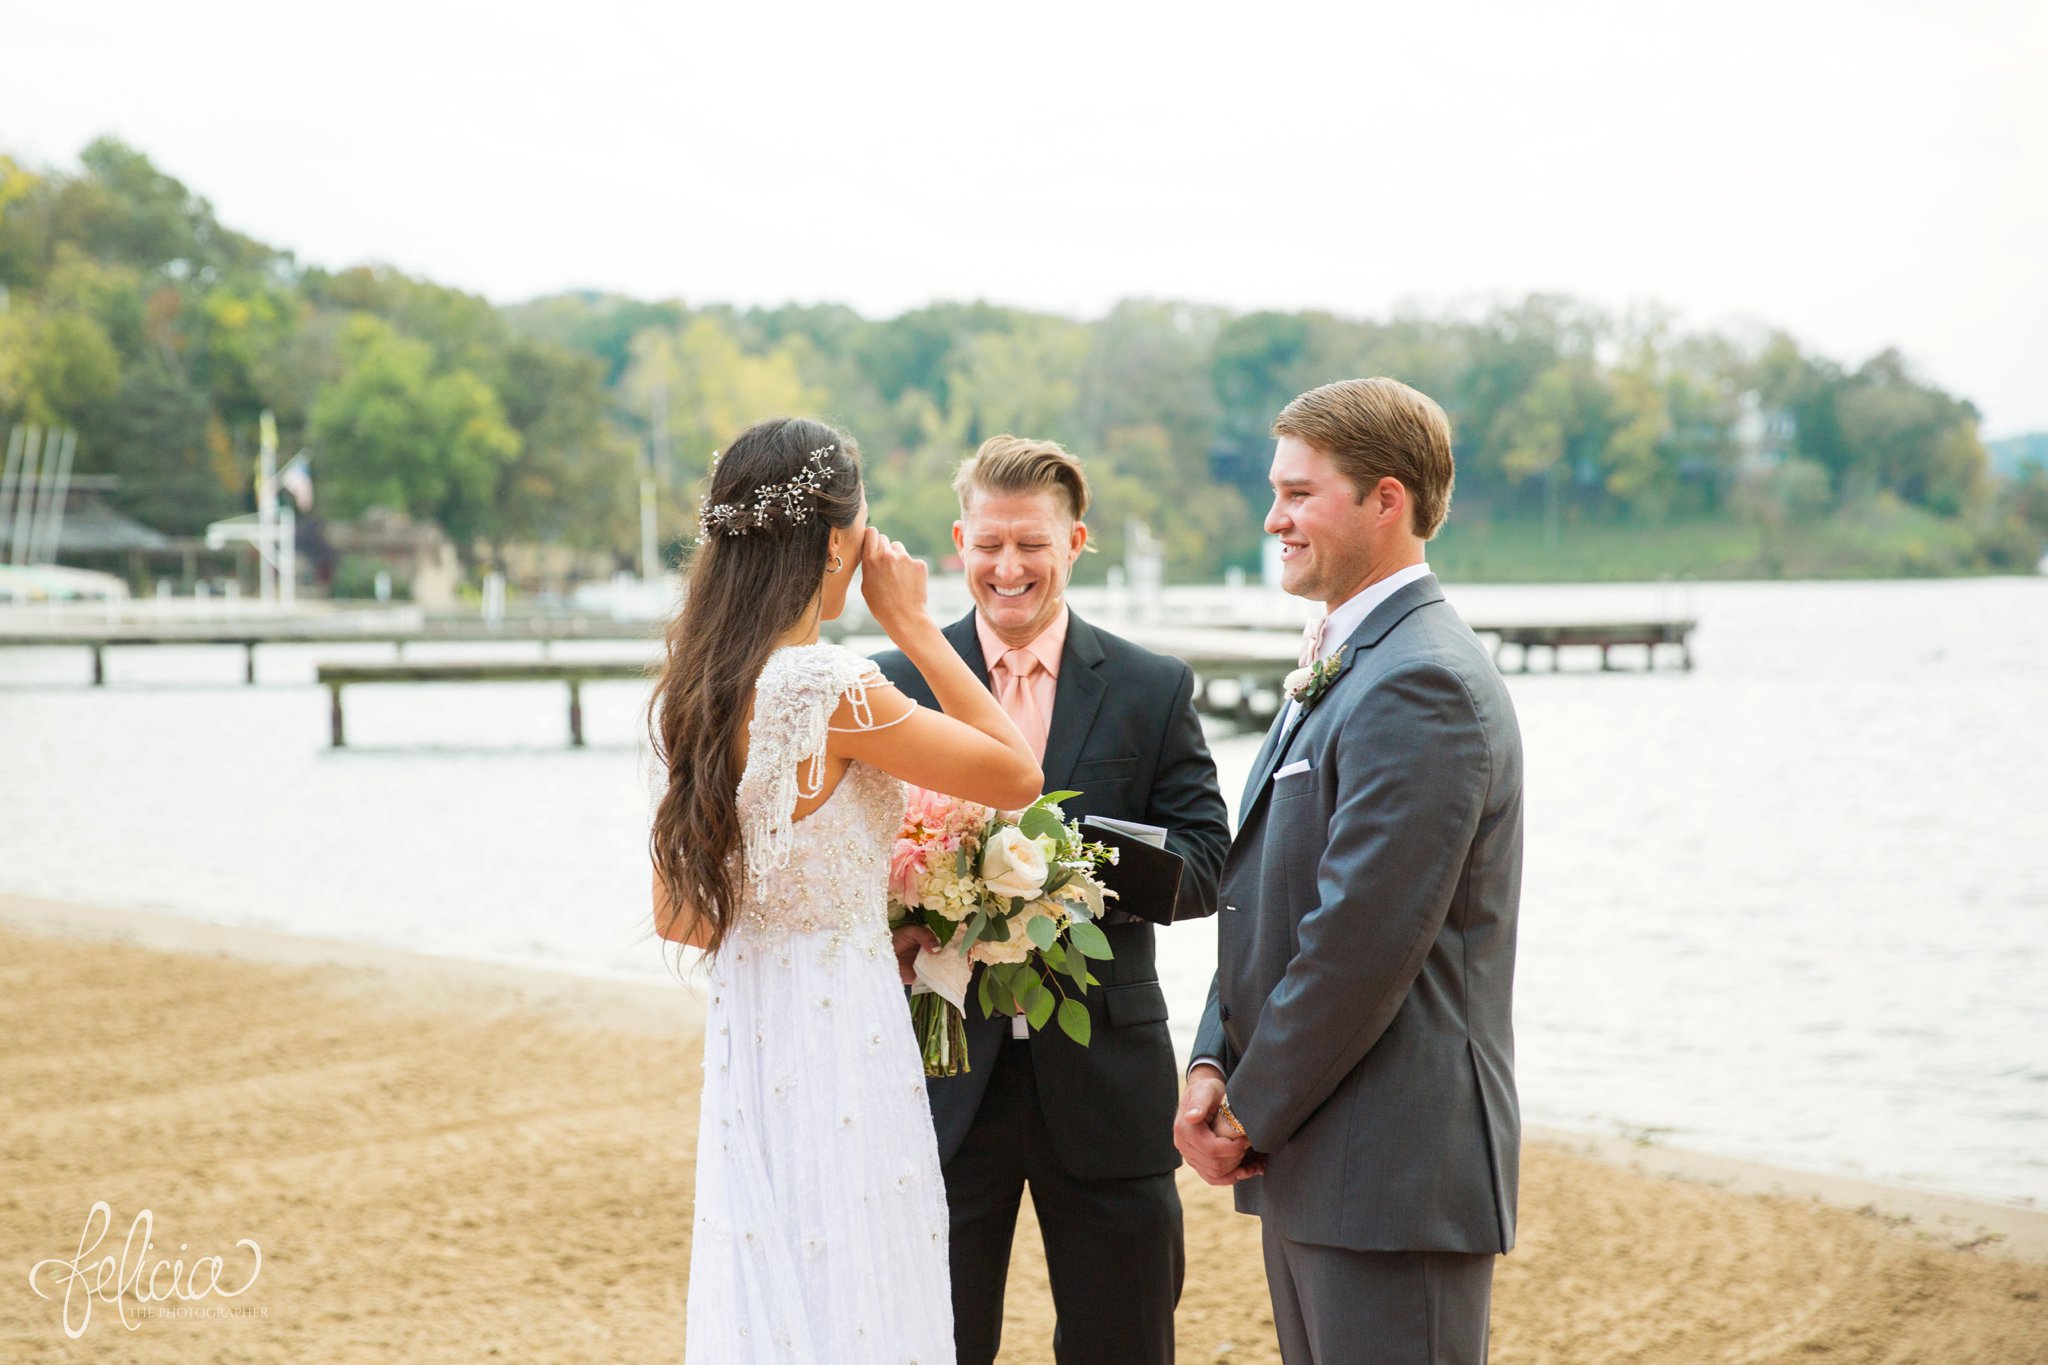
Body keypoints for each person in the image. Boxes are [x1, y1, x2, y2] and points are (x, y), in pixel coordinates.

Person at [648, 417, 1043, 1364]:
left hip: (753, 1017)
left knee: (775, 1259)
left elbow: (682, 915)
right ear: (835, 544)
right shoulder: (828, 684)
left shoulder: (701, 684)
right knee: (863, 1272)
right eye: (863, 530)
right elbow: (1015, 772)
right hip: (839, 1020)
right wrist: (911, 621)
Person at [1179, 379, 1525, 1365]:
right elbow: (1268, 902)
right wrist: (1212, 1059)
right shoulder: (1350, 657)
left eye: (1298, 492)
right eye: (1274, 490)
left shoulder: (1420, 678)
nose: (1270, 516)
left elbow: (1360, 942)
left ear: (1386, 499)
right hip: (1319, 1161)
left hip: (1392, 1176)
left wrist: (1247, 1105)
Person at [873, 435, 1231, 1365]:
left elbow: (1208, 863)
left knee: (1126, 1346)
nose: (1010, 566)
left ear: (1077, 542)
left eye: (1033, 543)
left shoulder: (1153, 688)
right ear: (960, 542)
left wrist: (1064, 861)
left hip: (1107, 1082)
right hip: (945, 1076)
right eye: (990, 543)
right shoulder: (891, 683)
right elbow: (852, 868)